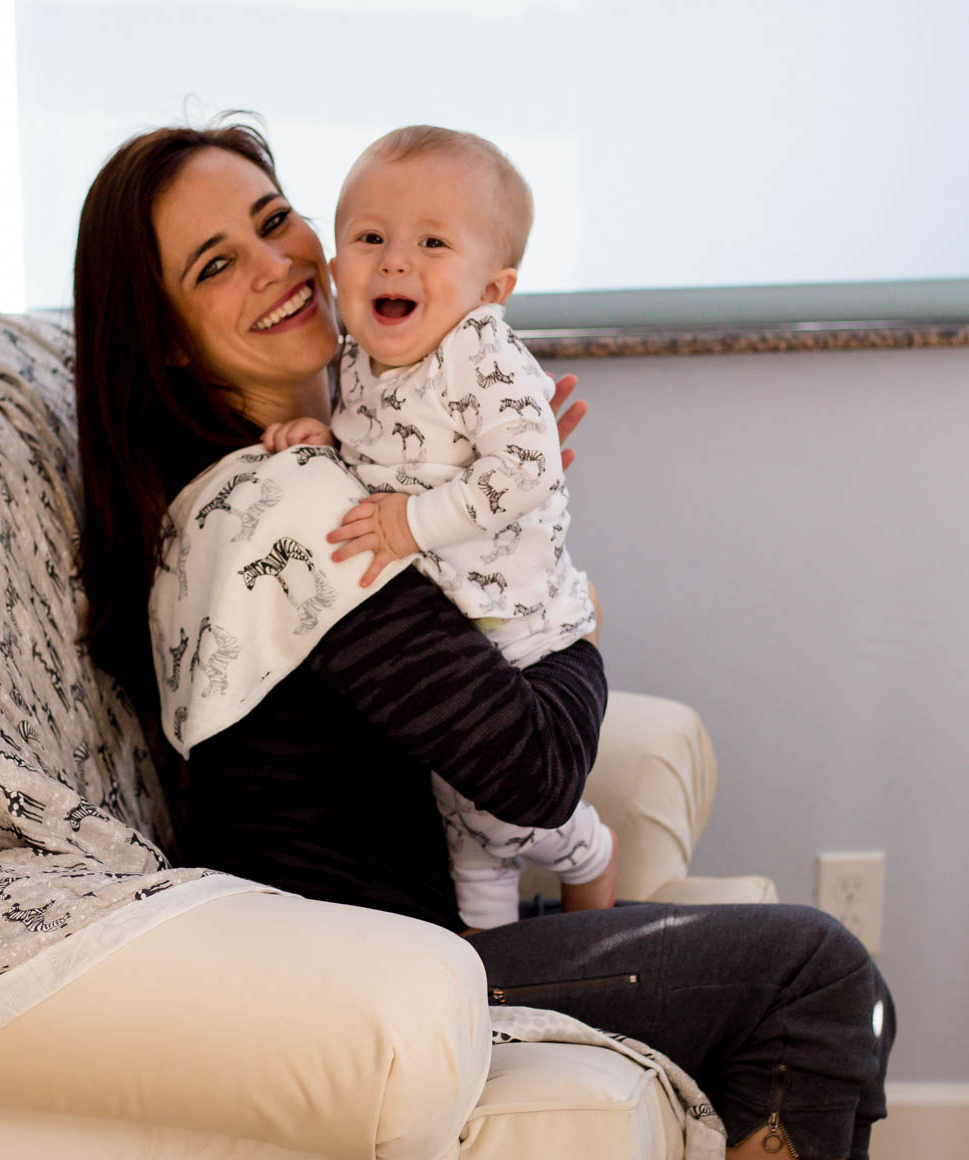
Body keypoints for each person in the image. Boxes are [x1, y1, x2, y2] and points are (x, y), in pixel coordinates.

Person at [72, 118, 894, 1160]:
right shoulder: (296, 513)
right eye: (216, 264)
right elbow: (539, 773)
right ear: (164, 339)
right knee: (819, 976)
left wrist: (485, 530)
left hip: (397, 946)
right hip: (377, 980)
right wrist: (568, 613)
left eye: (275, 221)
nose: (277, 263)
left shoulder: (304, 472)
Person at [259, 125, 615, 931]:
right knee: (471, 854)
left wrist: (411, 522)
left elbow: (528, 468)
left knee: (510, 822)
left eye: (431, 242)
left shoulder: (478, 350)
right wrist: (323, 442)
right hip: (461, 635)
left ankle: (591, 875)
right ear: (338, 265)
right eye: (370, 238)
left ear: (491, 290)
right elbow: (381, 452)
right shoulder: (358, 358)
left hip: (521, 630)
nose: (395, 261)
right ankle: (504, 974)